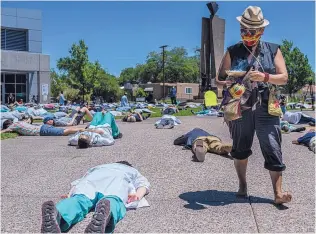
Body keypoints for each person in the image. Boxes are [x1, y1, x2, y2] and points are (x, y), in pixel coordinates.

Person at [215, 6, 291, 204]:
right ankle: (242, 184)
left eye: (251, 31)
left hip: (267, 105)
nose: (247, 35)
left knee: (273, 146)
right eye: (243, 30)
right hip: (240, 106)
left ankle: (278, 193)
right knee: (240, 147)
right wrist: (229, 82)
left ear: (261, 31)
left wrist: (265, 76)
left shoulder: (273, 50)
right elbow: (219, 79)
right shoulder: (233, 51)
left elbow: (283, 78)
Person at [40, 161, 150, 233]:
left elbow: (79, 182)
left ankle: (58, 213)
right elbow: (143, 184)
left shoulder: (98, 167)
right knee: (112, 200)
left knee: (79, 200)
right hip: (116, 181)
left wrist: (69, 194)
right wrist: (137, 196)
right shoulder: (131, 170)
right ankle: (106, 217)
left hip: (92, 180)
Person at [1, 117, 86, 136]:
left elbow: (3, 132)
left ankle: (83, 130)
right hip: (42, 127)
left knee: (65, 132)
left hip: (42, 130)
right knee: (65, 130)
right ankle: (82, 129)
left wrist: (3, 130)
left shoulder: (13, 126)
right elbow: (28, 121)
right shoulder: (19, 122)